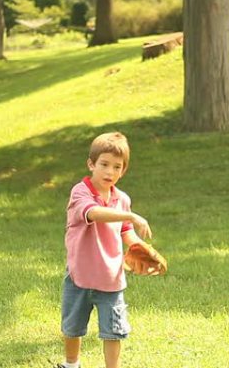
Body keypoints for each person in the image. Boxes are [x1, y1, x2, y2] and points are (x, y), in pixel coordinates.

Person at [55, 132, 153, 368]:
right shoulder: (81, 192)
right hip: (80, 275)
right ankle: (71, 364)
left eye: (117, 167)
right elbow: (94, 214)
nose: (110, 172)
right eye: (104, 164)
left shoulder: (122, 199)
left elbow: (124, 230)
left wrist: (139, 246)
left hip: (111, 278)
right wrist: (130, 215)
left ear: (124, 170)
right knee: (73, 326)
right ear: (91, 164)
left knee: (114, 331)